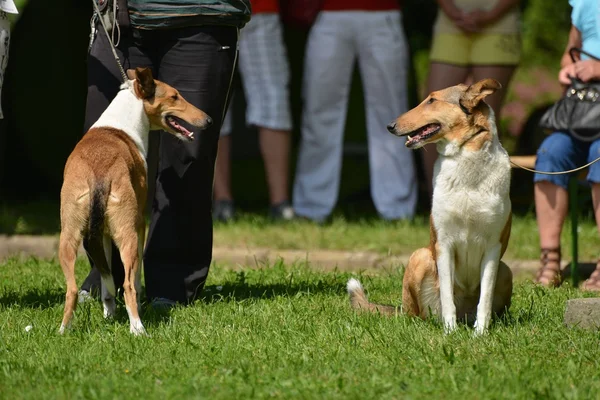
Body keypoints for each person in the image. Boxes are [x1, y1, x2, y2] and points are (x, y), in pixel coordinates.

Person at [78, 0, 251, 306]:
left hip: (201, 16)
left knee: (188, 156)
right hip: (120, 18)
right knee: (98, 156)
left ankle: (171, 286)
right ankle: (106, 279)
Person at [293, 0, 417, 223]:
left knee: (392, 115)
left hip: (382, 11)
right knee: (319, 111)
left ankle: (397, 208)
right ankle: (311, 207)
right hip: (328, 12)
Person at [421, 0, 521, 197]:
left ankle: (484, 198)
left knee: (486, 120)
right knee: (432, 117)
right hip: (450, 25)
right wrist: (452, 11)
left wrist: (491, 15)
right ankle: (437, 200)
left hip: (500, 25)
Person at [534, 0, 600, 290]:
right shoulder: (584, 3)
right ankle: (550, 259)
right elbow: (567, 56)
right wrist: (567, 70)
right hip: (583, 115)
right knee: (551, 151)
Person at [213, 0, 294, 222]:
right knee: (212, 101)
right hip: (208, 12)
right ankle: (222, 202)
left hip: (260, 10)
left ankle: (281, 204)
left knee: (274, 103)